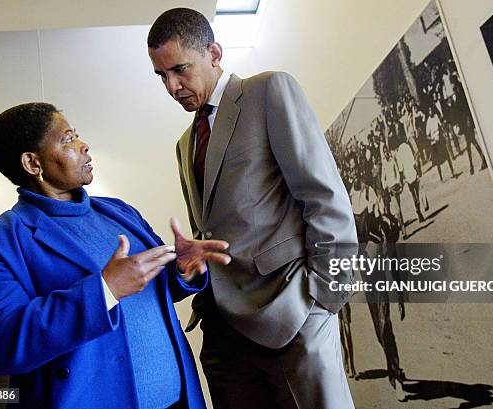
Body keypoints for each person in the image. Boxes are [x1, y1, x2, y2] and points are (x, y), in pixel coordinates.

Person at [147, 8, 357, 409]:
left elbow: (323, 196)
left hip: (292, 314)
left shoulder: (269, 91)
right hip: (224, 333)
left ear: (214, 53)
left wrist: (324, 301)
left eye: (180, 70)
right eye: (162, 76)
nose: (172, 86)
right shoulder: (184, 144)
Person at [0, 102, 231, 409]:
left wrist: (181, 270)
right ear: (33, 163)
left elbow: (152, 290)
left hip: (180, 400)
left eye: (77, 135)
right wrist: (104, 291)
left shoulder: (120, 211)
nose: (84, 145)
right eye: (68, 139)